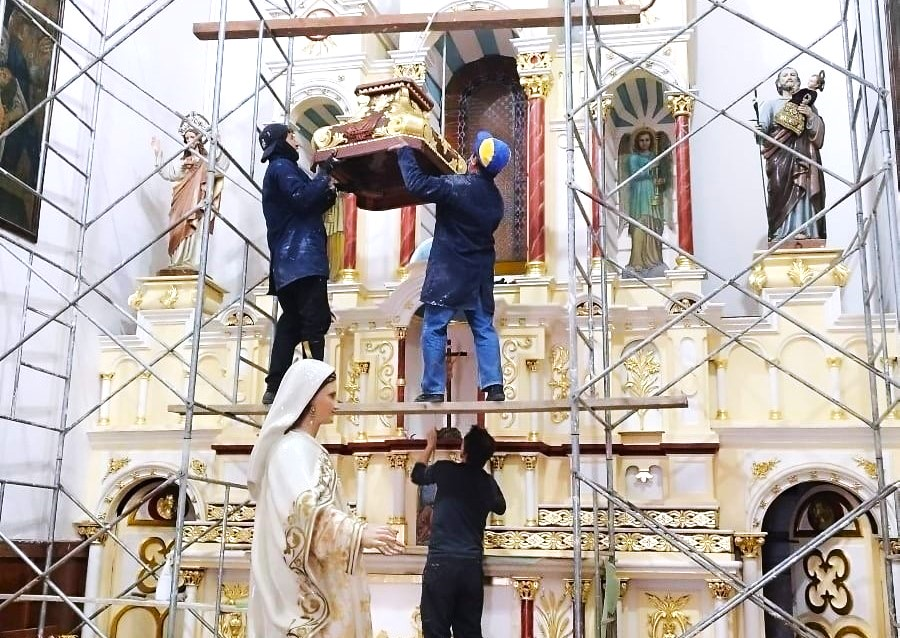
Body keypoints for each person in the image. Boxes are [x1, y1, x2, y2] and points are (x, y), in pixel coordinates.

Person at [248, 359, 404, 638]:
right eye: (331, 396)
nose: (337, 404)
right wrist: (358, 532)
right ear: (309, 400)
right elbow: (302, 511)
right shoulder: (291, 449)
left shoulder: (305, 447)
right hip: (303, 600)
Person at [395, 131, 509, 403]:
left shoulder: (457, 187)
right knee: (483, 328)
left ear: (473, 161)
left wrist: (404, 151)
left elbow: (416, 184)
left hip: (450, 271)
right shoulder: (496, 200)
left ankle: (433, 390)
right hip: (480, 273)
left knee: (434, 327)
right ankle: (494, 386)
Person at [258, 123, 337, 404]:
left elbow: (306, 204)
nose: (298, 142)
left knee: (291, 321)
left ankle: (274, 384)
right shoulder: (282, 167)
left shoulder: (280, 170)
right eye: (293, 136)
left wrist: (326, 189)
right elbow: (303, 199)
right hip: (302, 259)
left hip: (287, 264)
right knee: (314, 322)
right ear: (283, 140)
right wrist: (323, 174)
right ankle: (313, 385)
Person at [411, 424, 506, 638]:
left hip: (441, 563)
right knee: (469, 632)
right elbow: (500, 507)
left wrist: (430, 446)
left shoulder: (445, 470)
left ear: (463, 451)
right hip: (470, 567)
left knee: (436, 631)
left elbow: (417, 475)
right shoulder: (487, 483)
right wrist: (484, 479)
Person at [151, 112, 229, 272]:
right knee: (177, 228)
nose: (189, 141)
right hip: (181, 203)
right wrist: (158, 153)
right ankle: (177, 262)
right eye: (186, 138)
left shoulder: (206, 161)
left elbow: (221, 168)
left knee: (195, 231)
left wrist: (219, 146)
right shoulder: (184, 162)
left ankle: (190, 263)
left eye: (192, 137)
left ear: (199, 138)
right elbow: (169, 173)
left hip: (197, 202)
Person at [757, 67, 826, 243]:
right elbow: (762, 133)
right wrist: (759, 131)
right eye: (785, 75)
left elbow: (817, 134)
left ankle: (806, 229)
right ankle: (781, 231)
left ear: (799, 81)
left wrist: (810, 116)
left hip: (803, 153)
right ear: (779, 83)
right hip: (779, 155)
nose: (789, 78)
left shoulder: (808, 104)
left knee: (803, 185)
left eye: (793, 75)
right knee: (779, 187)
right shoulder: (771, 104)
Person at [621, 128, 668, 278]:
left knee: (652, 225)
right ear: (637, 142)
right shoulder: (633, 158)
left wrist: (659, 180)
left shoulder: (655, 156)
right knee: (640, 225)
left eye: (647, 140)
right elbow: (635, 174)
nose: (644, 143)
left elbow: (660, 175)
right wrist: (650, 169)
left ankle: (654, 260)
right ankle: (637, 262)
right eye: (641, 140)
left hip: (652, 194)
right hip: (640, 193)